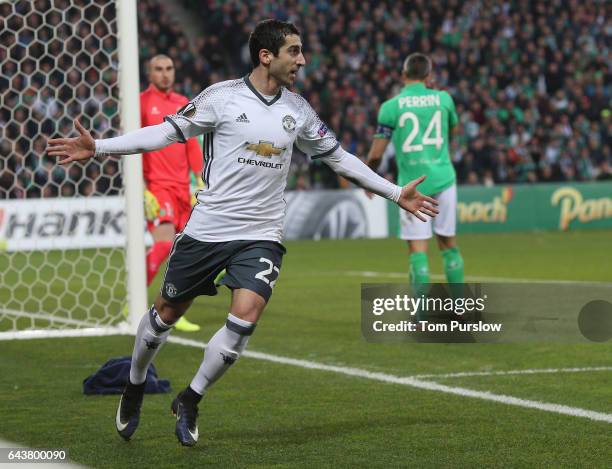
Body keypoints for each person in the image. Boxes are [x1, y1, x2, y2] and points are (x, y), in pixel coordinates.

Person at [47, 20, 439, 447]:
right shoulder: (221, 98)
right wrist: (100, 147)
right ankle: (135, 382)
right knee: (165, 316)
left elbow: (340, 158)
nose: (303, 60)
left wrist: (395, 192)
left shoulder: (299, 110)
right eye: (294, 51)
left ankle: (191, 398)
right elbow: (164, 133)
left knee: (245, 318)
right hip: (208, 229)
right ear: (266, 56)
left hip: (262, 233)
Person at [366, 53, 464, 308]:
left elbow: (376, 153)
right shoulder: (444, 99)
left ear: (403, 75)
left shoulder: (391, 106)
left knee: (418, 252)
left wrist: (369, 178)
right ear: (429, 76)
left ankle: (421, 317)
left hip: (412, 187)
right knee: (448, 245)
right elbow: (453, 130)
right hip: (444, 178)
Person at [140, 54, 204, 332]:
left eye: (169, 68)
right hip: (157, 186)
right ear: (149, 73)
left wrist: (201, 183)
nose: (165, 74)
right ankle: (134, 301)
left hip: (183, 188)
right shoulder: (141, 104)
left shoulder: (182, 103)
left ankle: (173, 310)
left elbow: (192, 145)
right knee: (164, 244)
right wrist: (142, 189)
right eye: (159, 69)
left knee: (186, 253)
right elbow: (135, 145)